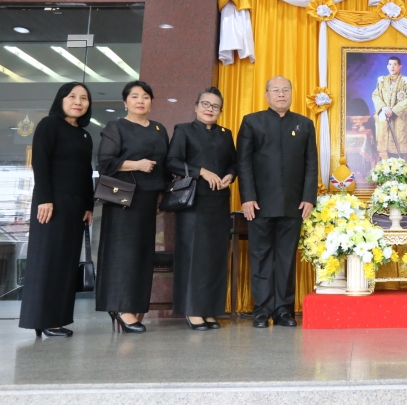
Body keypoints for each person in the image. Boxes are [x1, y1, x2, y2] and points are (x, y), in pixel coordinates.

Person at [237, 76, 317, 329]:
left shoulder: (304, 124)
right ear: (266, 94)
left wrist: (308, 197)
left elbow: (311, 164)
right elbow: (244, 163)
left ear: (292, 94)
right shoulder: (252, 122)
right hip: (258, 204)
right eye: (276, 90)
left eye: (286, 90)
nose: (281, 94)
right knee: (260, 256)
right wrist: (247, 197)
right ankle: (261, 310)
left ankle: (284, 310)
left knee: (286, 258)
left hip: (294, 204)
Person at [18, 83, 94, 338]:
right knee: (47, 261)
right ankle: (42, 319)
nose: (78, 101)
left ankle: (57, 319)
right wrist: (45, 199)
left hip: (75, 206)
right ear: (61, 99)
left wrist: (88, 205)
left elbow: (86, 173)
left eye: (84, 98)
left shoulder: (85, 135)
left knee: (65, 263)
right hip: (51, 203)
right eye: (72, 96)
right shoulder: (49, 125)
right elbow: (40, 161)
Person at [96, 80, 169, 333]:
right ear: (125, 101)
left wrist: (162, 195)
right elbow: (105, 163)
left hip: (149, 200)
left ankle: (135, 307)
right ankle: (121, 308)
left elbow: (165, 165)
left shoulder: (159, 129)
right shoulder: (116, 127)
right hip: (123, 201)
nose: (141, 101)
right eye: (135, 96)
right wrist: (136, 165)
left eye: (146, 97)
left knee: (141, 255)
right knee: (122, 256)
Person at [166, 87, 237, 331]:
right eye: (205, 104)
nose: (209, 109)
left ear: (220, 111)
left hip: (219, 202)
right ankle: (192, 310)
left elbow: (234, 163)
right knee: (194, 257)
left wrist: (230, 175)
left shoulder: (226, 134)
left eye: (215, 106)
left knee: (215, 258)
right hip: (193, 202)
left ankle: (209, 310)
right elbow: (172, 162)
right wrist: (201, 171)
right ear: (196, 107)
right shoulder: (183, 130)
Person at [372, 56, 407, 159]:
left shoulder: (406, 81)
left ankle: (399, 170)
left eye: (395, 64)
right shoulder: (382, 81)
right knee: (384, 150)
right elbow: (375, 95)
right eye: (390, 64)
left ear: (400, 66)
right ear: (387, 66)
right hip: (384, 117)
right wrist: (383, 108)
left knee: (398, 146)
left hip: (399, 118)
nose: (392, 67)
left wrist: (394, 111)